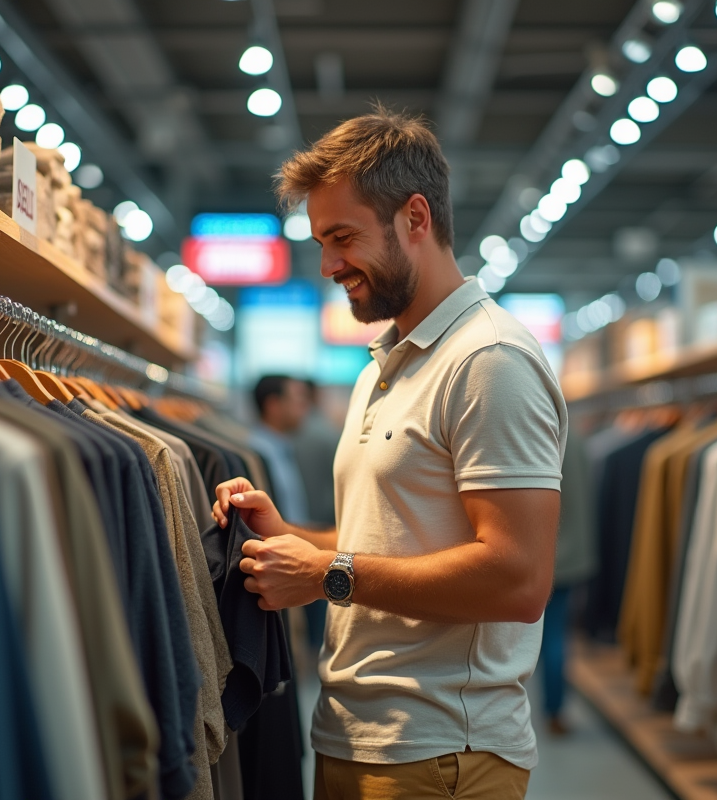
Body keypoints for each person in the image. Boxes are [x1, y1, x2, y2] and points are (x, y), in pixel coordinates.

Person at [211, 107, 568, 800]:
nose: (329, 265)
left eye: (343, 237)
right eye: (320, 242)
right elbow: (390, 541)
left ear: (415, 218)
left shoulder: (489, 360)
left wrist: (327, 576)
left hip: (439, 753)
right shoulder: (387, 364)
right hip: (361, 737)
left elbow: (519, 580)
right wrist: (290, 542)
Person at [538, 423, 599, 736]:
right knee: (557, 637)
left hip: (538, 556)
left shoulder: (534, 436)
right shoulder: (577, 440)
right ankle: (555, 710)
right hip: (572, 556)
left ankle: (540, 707)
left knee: (534, 638)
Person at [292, 379, 343, 651]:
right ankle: (315, 646)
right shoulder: (327, 433)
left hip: (300, 524)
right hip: (325, 524)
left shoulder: (296, 433)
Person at [248, 374, 312, 526]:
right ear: (273, 405)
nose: (305, 408)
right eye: (298, 400)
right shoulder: (257, 456)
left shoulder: (282, 448)